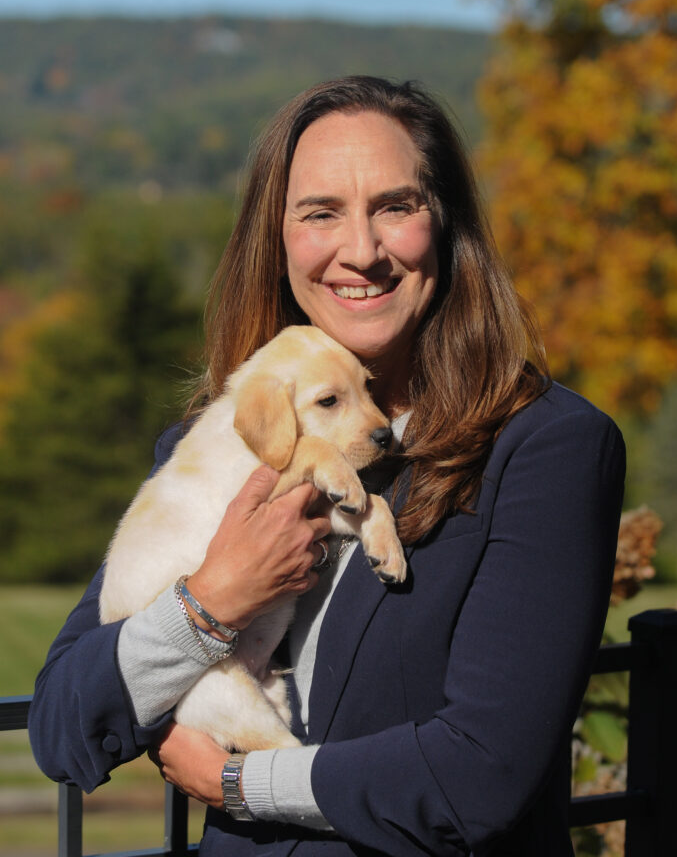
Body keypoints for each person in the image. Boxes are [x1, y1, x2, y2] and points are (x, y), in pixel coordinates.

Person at [29, 76, 625, 856]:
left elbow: (481, 774)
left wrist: (245, 783)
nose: (361, 251)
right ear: (276, 241)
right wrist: (207, 607)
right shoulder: (213, 446)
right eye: (320, 213)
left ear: (445, 227)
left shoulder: (544, 448)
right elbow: (62, 729)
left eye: (395, 206)